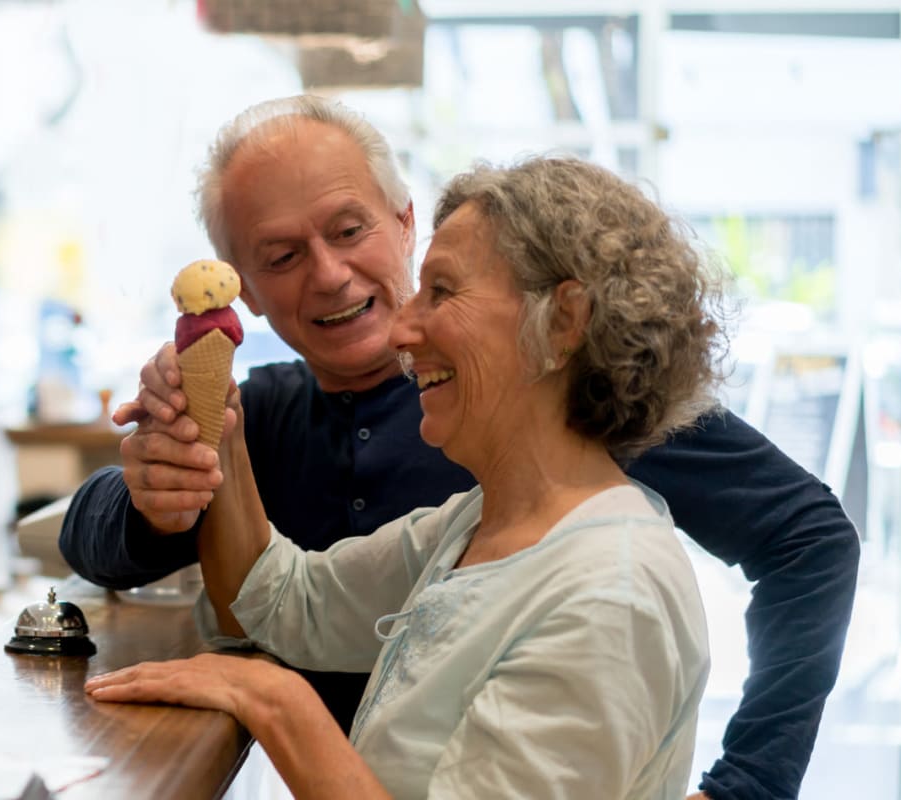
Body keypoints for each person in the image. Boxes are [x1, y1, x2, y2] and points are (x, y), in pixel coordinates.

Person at [60, 95, 860, 800]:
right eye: (281, 256)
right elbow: (272, 596)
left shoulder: (603, 560)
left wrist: (750, 784)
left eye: (350, 230)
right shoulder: (463, 521)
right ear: (247, 289)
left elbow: (808, 540)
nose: (401, 327)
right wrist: (196, 441)